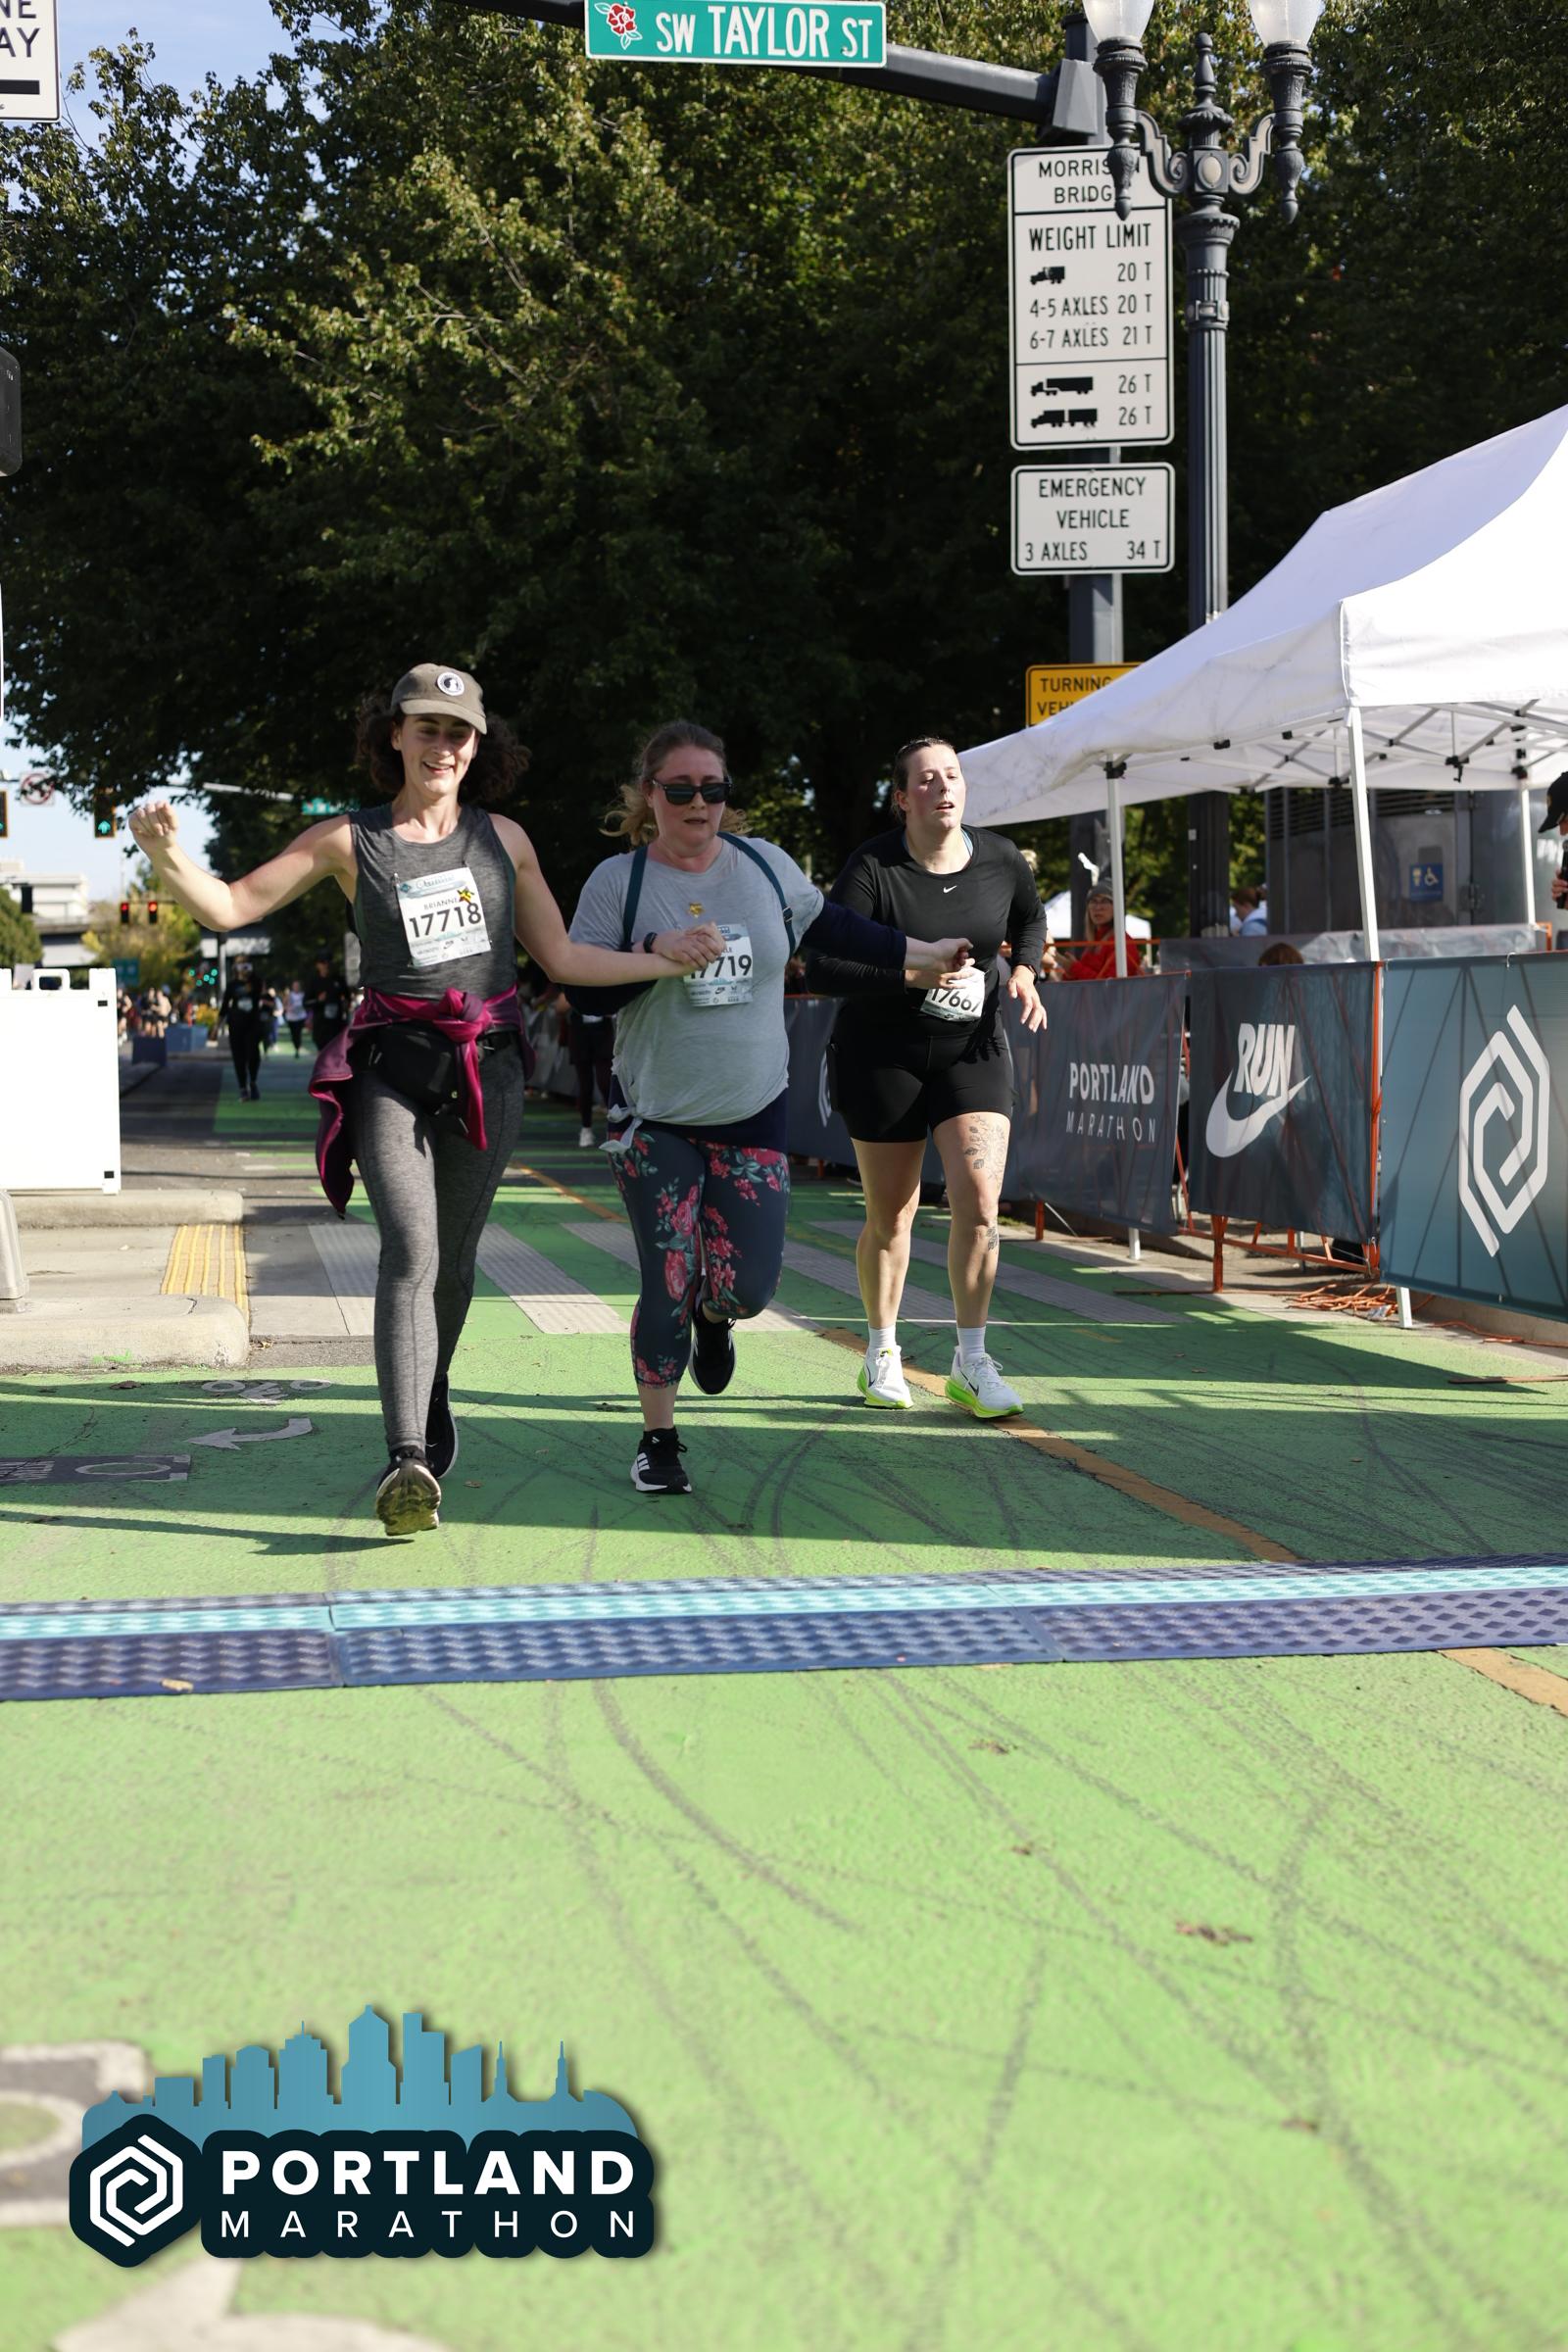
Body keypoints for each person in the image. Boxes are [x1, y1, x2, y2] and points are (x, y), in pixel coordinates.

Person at [129, 662, 720, 1538]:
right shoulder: (349, 840)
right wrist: (167, 855)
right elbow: (228, 907)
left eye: (458, 732)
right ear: (395, 736)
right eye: (426, 728)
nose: (442, 745)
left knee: (455, 1261)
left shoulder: (505, 840)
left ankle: (430, 1380)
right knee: (410, 1249)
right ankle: (406, 1455)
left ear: (478, 746)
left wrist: (659, 958)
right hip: (391, 1072)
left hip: (489, 1074)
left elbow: (562, 958)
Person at [566, 718, 972, 1496]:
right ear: (650, 794)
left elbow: (839, 930)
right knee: (666, 1277)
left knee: (747, 1287)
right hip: (656, 1117)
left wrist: (928, 953)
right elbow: (580, 987)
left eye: (712, 789)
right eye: (680, 790)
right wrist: (653, 953)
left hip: (751, 1112)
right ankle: (659, 1439)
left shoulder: (763, 865)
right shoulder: (620, 883)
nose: (698, 803)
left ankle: (715, 1316)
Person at [805, 735, 1049, 1419]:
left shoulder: (1000, 858)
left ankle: (972, 1359)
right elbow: (822, 965)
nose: (943, 787)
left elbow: (1029, 918)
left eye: (953, 775)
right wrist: (913, 972)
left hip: (974, 1050)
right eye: (927, 779)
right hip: (884, 1055)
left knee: (980, 1201)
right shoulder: (873, 868)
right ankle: (881, 1351)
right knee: (893, 1214)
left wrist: (1024, 971)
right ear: (902, 798)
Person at [1063, 884, 1143, 981]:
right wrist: (1069, 973)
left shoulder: (1123, 943)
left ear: (1116, 907)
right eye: (1093, 901)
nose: (1098, 907)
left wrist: (1075, 968)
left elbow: (1111, 984)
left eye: (1105, 901)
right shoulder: (1093, 941)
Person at [565, 1001, 614, 1146]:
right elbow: (560, 1007)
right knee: (585, 1085)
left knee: (606, 1083)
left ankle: (615, 1127)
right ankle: (586, 1128)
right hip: (580, 1031)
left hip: (603, 1031)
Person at [220, 956, 267, 1099]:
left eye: (246, 963)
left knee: (253, 1054)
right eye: (240, 964)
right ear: (235, 967)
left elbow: (261, 991)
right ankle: (242, 1087)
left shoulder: (256, 982)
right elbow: (224, 1006)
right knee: (238, 1057)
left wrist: (249, 977)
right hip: (236, 1025)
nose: (244, 966)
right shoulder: (232, 985)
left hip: (253, 1024)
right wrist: (217, 1027)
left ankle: (252, 1081)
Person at [308, 952, 349, 1050]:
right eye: (323, 962)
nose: (326, 965)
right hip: (320, 1026)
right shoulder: (314, 981)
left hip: (337, 1025)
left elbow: (347, 997)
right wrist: (318, 1000)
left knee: (336, 1051)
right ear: (318, 965)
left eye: (328, 962)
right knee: (323, 1051)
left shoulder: (339, 980)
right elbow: (306, 1002)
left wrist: (346, 1004)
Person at [283, 978, 309, 1055]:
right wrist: (287, 1008)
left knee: (298, 1032)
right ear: (292, 986)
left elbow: (306, 1005)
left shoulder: (303, 995)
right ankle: (296, 1047)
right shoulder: (289, 995)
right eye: (295, 986)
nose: (296, 987)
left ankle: (298, 1047)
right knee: (293, 1034)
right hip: (291, 1018)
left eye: (297, 986)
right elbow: (284, 1005)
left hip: (301, 1017)